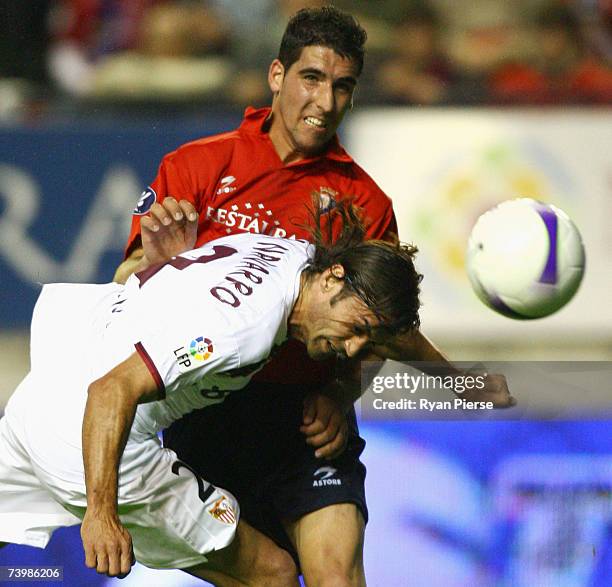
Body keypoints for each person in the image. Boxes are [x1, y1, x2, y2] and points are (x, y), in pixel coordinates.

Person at [115, 6, 514, 586]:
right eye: (312, 79)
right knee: (268, 578)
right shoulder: (197, 166)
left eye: (343, 86)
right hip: (204, 415)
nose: (325, 103)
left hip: (303, 424)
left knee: (336, 576)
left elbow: (377, 326)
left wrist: (341, 391)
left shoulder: (363, 202)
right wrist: (154, 261)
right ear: (277, 75)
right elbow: (122, 285)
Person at [0, 201, 423, 582]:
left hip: (47, 386)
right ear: (334, 279)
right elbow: (112, 390)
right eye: (356, 330)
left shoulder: (292, 253)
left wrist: (471, 381)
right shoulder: (243, 331)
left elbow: (394, 337)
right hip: (94, 435)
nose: (350, 350)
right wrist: (101, 513)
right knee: (272, 574)